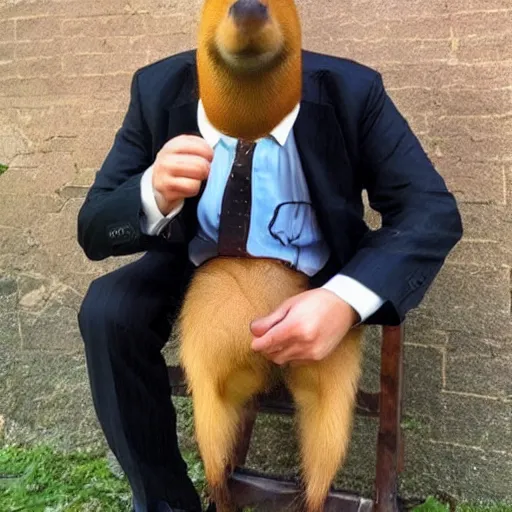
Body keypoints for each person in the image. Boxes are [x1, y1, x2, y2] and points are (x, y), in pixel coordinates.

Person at [77, 43, 463, 511]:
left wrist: (344, 300)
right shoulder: (158, 87)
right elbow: (94, 225)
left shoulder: (352, 90)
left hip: (314, 271)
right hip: (196, 258)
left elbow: (429, 210)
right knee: (107, 311)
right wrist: (151, 192)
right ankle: (165, 502)